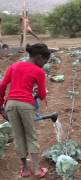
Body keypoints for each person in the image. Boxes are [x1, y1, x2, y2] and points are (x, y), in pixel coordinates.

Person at [0, 43, 50, 178]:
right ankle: (37, 170)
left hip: (10, 104)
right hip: (25, 105)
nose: (44, 64)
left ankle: (25, 169)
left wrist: (1, 106)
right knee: (31, 136)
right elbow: (41, 93)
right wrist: (39, 94)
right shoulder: (39, 72)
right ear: (39, 57)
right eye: (45, 61)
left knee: (19, 136)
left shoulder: (14, 66)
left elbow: (2, 85)